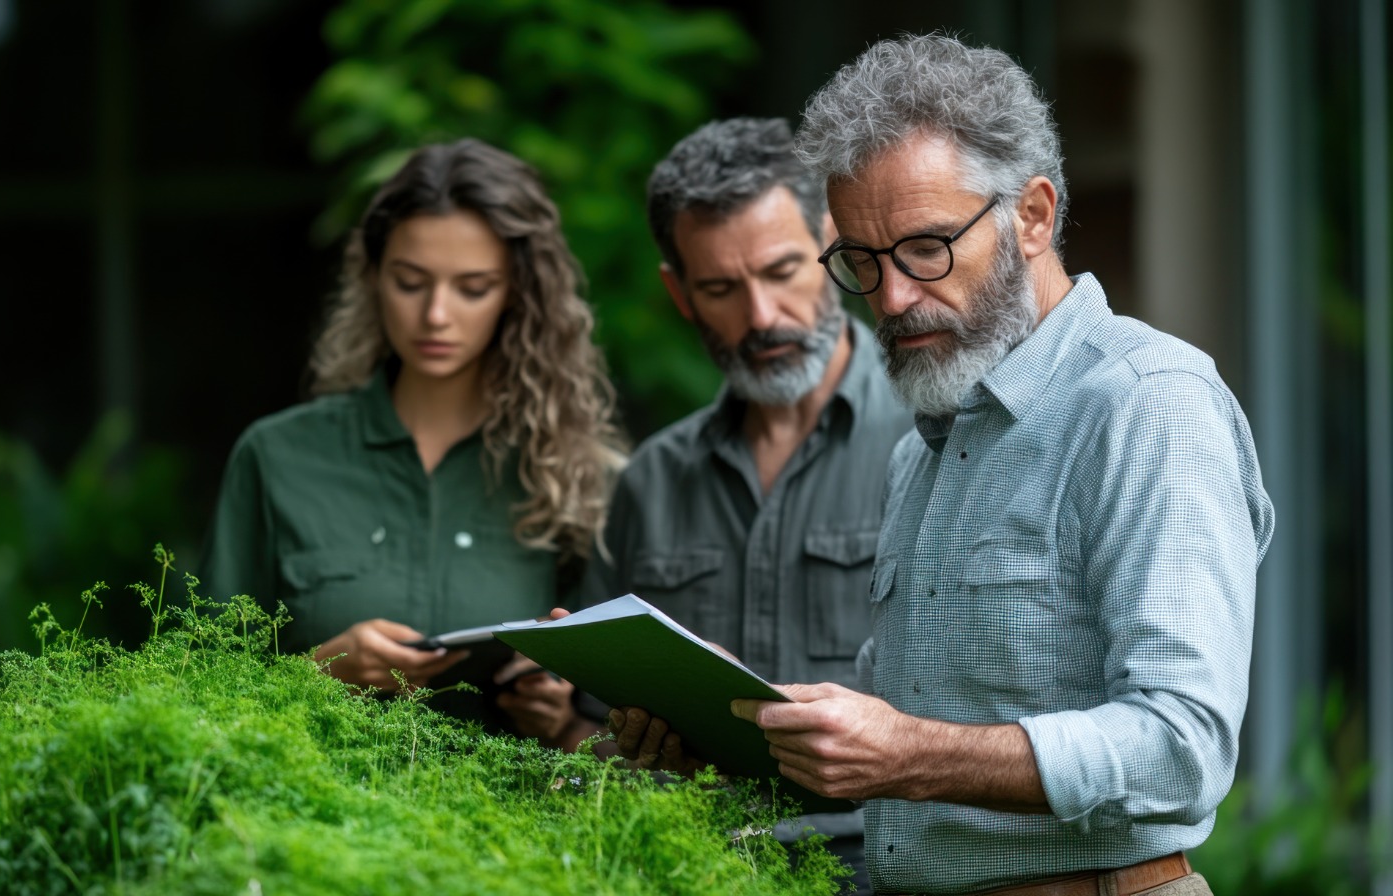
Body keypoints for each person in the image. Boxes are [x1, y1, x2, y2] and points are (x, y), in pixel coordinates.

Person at [612, 35, 1274, 895]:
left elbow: (1181, 749)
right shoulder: (926, 443)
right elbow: (914, 740)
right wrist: (730, 724)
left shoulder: (1149, 403)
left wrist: (910, 756)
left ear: (1032, 216)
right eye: (860, 261)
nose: (889, 298)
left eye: (926, 248)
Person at [578, 117, 915, 895]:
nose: (761, 317)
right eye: (723, 289)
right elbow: (589, 726)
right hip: (680, 864)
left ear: (833, 246)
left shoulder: (938, 443)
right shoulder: (652, 479)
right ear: (679, 294)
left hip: (885, 868)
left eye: (783, 270)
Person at [198, 139, 623, 742]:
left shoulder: (573, 474)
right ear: (373, 277)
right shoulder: (276, 459)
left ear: (517, 294)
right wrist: (320, 673)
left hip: (505, 830)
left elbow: (624, 735)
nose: (436, 316)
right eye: (410, 281)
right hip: (302, 827)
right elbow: (192, 693)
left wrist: (557, 716)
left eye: (473, 288)